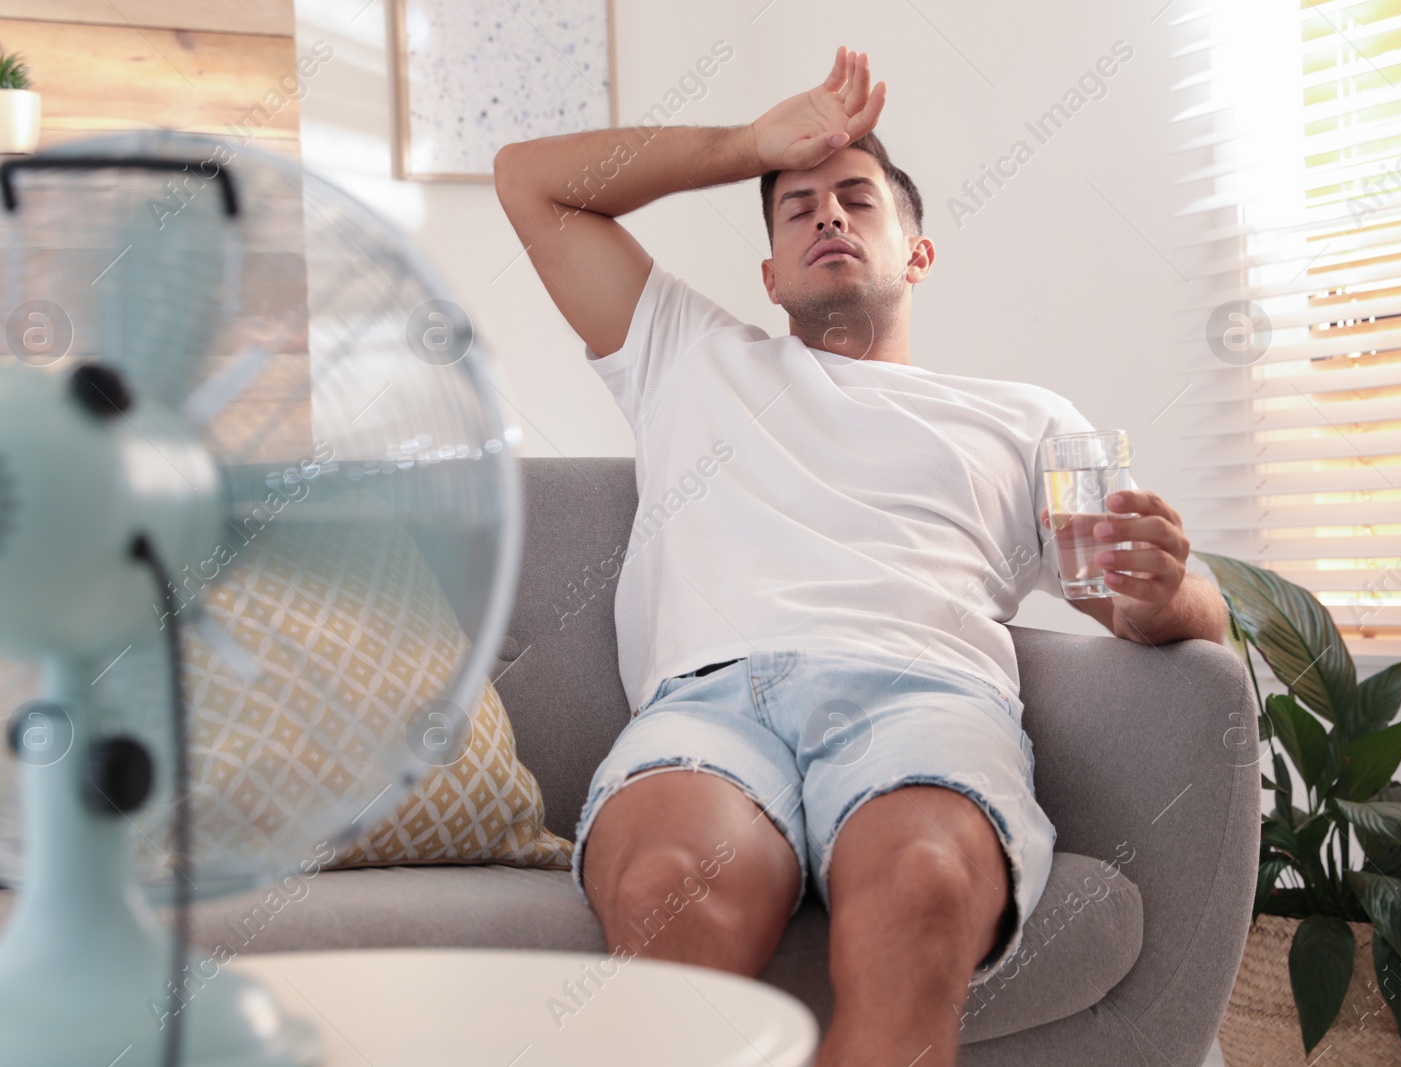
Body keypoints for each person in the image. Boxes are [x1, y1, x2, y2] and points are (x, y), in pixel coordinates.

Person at [493, 45, 1227, 1067]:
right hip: (711, 710)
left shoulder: (1026, 420)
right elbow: (528, 181)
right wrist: (749, 143)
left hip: (922, 701)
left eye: (857, 198)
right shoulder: (685, 355)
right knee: (672, 885)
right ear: (769, 275)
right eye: (796, 207)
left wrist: (1163, 592)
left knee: (925, 881)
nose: (828, 215)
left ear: (917, 254)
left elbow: (1169, 611)